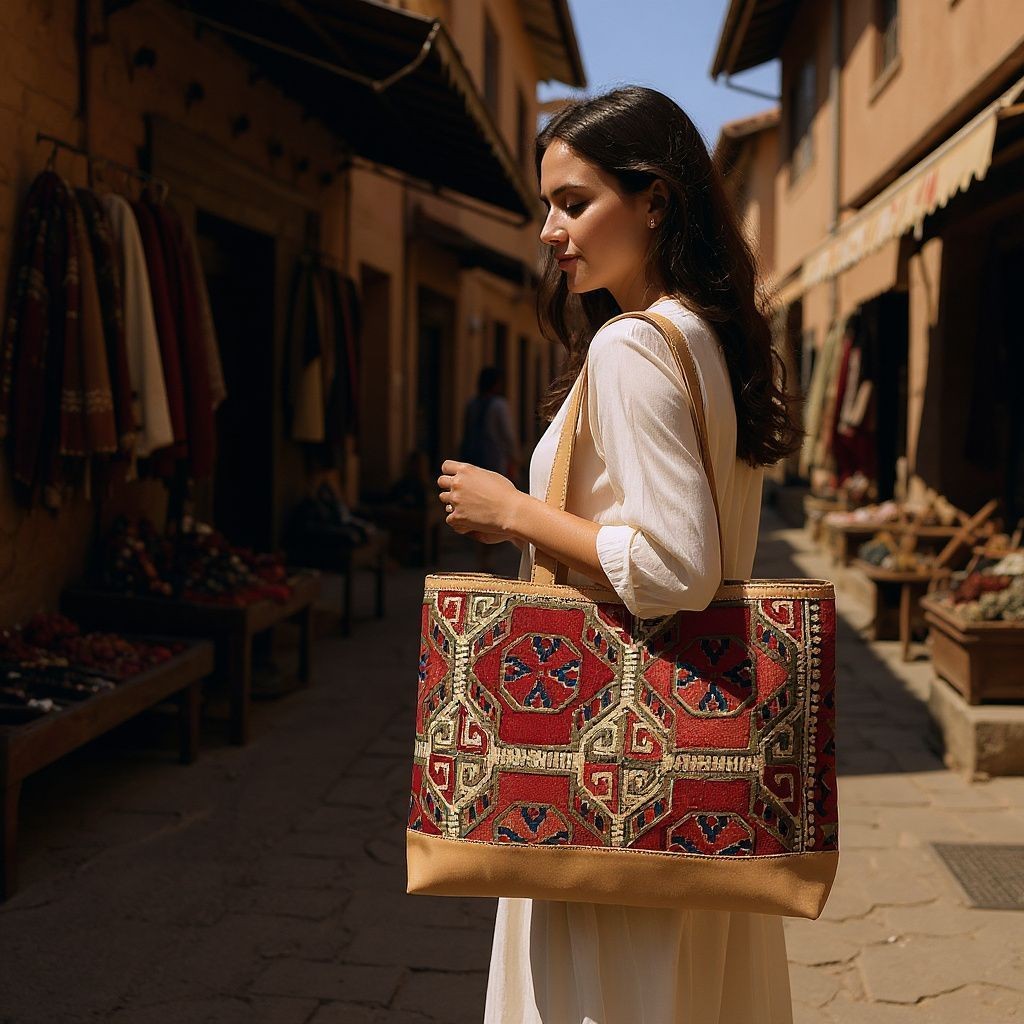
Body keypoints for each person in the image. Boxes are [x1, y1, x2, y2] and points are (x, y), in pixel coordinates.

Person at [436, 85, 803, 1023]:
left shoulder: (634, 347)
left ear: (655, 201)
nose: (551, 230)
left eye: (574, 202)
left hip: (608, 766)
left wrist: (513, 510)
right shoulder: (705, 338)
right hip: (698, 761)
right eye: (547, 204)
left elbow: (675, 566)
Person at [459, 366, 521, 569]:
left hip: (474, 461)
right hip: (494, 462)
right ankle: (486, 558)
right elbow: (507, 436)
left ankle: (481, 557)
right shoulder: (498, 406)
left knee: (476, 511)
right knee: (492, 510)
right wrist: (514, 458)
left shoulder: (472, 404)